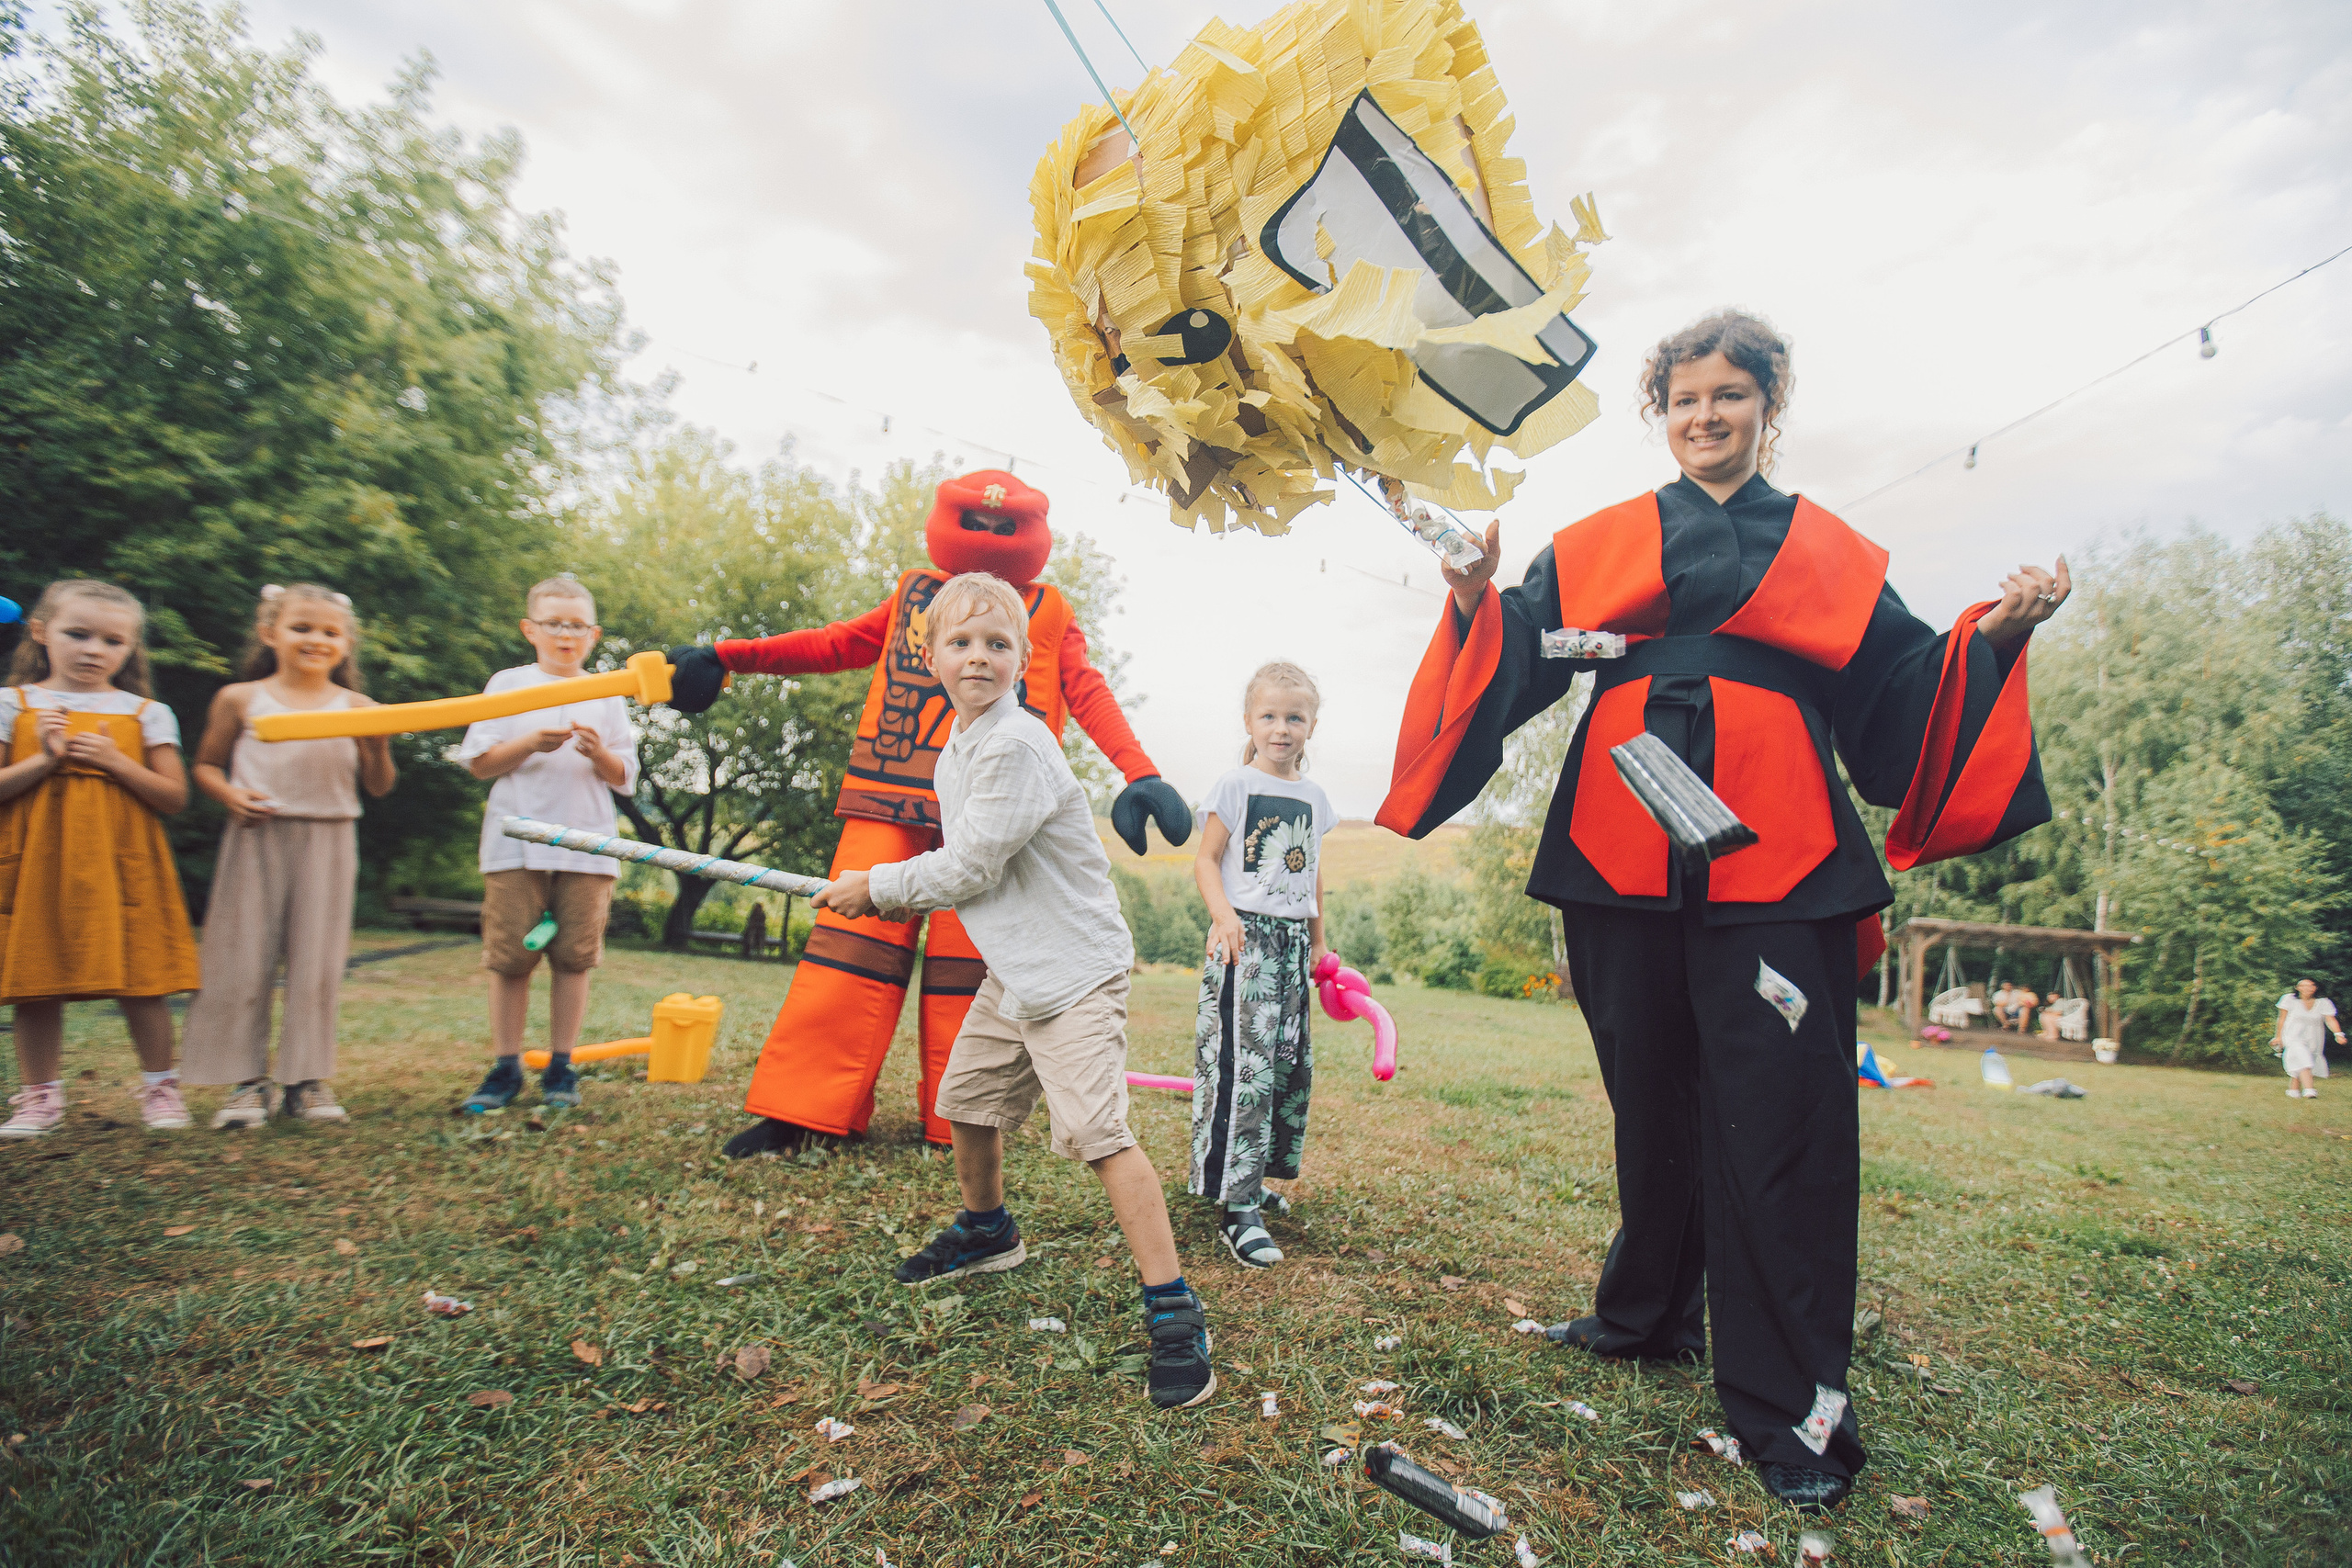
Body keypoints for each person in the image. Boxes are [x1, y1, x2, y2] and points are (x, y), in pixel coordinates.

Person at [1376, 311, 2067, 1512]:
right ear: (1663, 412)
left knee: (1782, 1122)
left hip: (1780, 857)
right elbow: (1516, 657)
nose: (1706, 416)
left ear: (1767, 406)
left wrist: (1994, 634)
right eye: (1686, 398)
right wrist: (1476, 594)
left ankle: (1791, 1408)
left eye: (1729, 395)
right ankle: (1645, 1315)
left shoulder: (1832, 552)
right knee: (1649, 1094)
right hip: (1618, 846)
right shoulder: (1601, 541)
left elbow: (1903, 695)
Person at [663, 471, 1192, 1159]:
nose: (991, 535)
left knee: (973, 965)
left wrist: (1140, 771)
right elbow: (836, 643)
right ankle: (802, 1108)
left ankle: (961, 1121)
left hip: (994, 812)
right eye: (978, 521)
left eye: (1006, 525)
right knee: (846, 950)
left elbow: (1086, 690)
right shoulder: (917, 597)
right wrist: (727, 657)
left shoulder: (1049, 611)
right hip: (888, 796)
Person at [821, 571, 1215, 1411]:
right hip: (1018, 968)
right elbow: (976, 869)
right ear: (930, 656)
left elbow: (968, 866)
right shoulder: (957, 747)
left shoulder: (1016, 745)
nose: (978, 657)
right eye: (960, 642)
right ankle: (988, 1229)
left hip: (1074, 972)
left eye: (997, 643)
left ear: (1022, 660)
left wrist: (875, 886)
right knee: (967, 1099)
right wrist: (883, 884)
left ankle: (1175, 1307)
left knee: (1099, 1134)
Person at [181, 584, 397, 1125]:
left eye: (330, 632)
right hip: (256, 836)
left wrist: (378, 745)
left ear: (345, 644)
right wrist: (230, 795)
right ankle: (245, 1083)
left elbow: (379, 785)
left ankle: (306, 1080)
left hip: (330, 837)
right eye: (301, 627)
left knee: (317, 963)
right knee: (241, 957)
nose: (315, 640)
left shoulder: (359, 706)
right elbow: (205, 765)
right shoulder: (240, 698)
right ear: (269, 633)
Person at [0, 581, 201, 1137]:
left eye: (113, 641)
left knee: (142, 977)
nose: (94, 650)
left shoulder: (147, 713)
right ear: (41, 633)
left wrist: (115, 760)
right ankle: (39, 1097)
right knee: (34, 980)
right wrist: (44, 760)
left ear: (131, 649)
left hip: (122, 865)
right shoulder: (11, 704)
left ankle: (161, 1088)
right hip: (37, 864)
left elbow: (173, 798)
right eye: (78, 634)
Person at [454, 575, 639, 1113]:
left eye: (577, 626)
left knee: (575, 958)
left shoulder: (608, 691)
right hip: (515, 844)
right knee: (511, 958)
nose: (565, 635)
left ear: (594, 634)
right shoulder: (508, 684)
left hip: (589, 845)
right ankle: (505, 1066)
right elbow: (479, 764)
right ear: (529, 629)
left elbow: (624, 776)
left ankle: (562, 1064)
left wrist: (598, 754)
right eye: (554, 623)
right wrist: (530, 742)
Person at [1190, 661, 1333, 1268]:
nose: (1281, 728)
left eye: (1294, 717)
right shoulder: (1235, 785)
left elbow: (1313, 874)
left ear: (1311, 726)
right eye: (1269, 716)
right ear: (1249, 721)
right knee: (1242, 1070)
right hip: (1244, 944)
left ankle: (1249, 1181)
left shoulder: (1315, 798)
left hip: (1293, 946)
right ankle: (1236, 1206)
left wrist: (1320, 944)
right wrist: (1224, 917)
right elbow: (1205, 860)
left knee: (1283, 1070)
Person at [2275, 978, 2342, 1099]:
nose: (2307, 988)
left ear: (2315, 988)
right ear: (2298, 988)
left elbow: (2330, 1019)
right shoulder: (2289, 1000)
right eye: (2303, 986)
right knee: (2303, 1058)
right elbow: (2281, 1019)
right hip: (2292, 1036)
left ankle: (2293, 1091)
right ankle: (2309, 1090)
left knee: (2301, 1061)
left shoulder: (2323, 1003)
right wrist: (2278, 1037)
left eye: (2311, 986)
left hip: (2314, 1038)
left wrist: (2338, 1034)